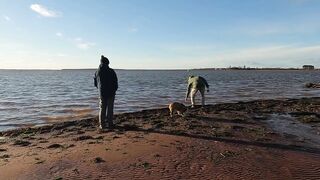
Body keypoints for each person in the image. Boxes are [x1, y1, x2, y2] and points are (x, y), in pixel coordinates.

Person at [94, 55, 118, 129]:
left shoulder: (97, 71)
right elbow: (115, 82)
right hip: (111, 93)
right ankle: (110, 124)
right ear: (107, 63)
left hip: (102, 93)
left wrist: (99, 89)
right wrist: (114, 90)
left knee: (102, 109)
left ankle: (102, 125)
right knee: (110, 109)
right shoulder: (111, 71)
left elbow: (95, 83)